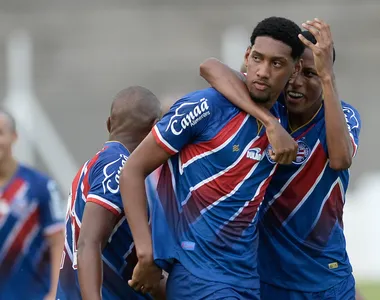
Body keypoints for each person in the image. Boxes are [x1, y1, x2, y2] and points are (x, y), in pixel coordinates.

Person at [120, 16, 305, 300]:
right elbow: (132, 170)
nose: (263, 71)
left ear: (294, 71)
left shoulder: (285, 114)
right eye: (257, 58)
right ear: (247, 57)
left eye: (277, 64)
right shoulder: (206, 107)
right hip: (198, 277)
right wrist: (146, 254)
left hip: (246, 278)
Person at [200, 18, 361, 300]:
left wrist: (327, 77)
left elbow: (340, 160)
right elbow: (210, 67)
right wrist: (271, 124)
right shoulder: (270, 107)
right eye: (294, 71)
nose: (297, 83)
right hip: (268, 278)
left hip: (327, 276)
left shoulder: (341, 115)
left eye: (311, 74)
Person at [56, 86, 166, 300]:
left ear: (108, 124)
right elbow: (88, 242)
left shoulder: (92, 166)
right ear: (156, 129)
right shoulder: (117, 169)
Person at [0, 109, 64, 300]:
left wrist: (55, 292)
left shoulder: (40, 185)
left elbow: (58, 242)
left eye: (0, 133)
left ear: (14, 136)